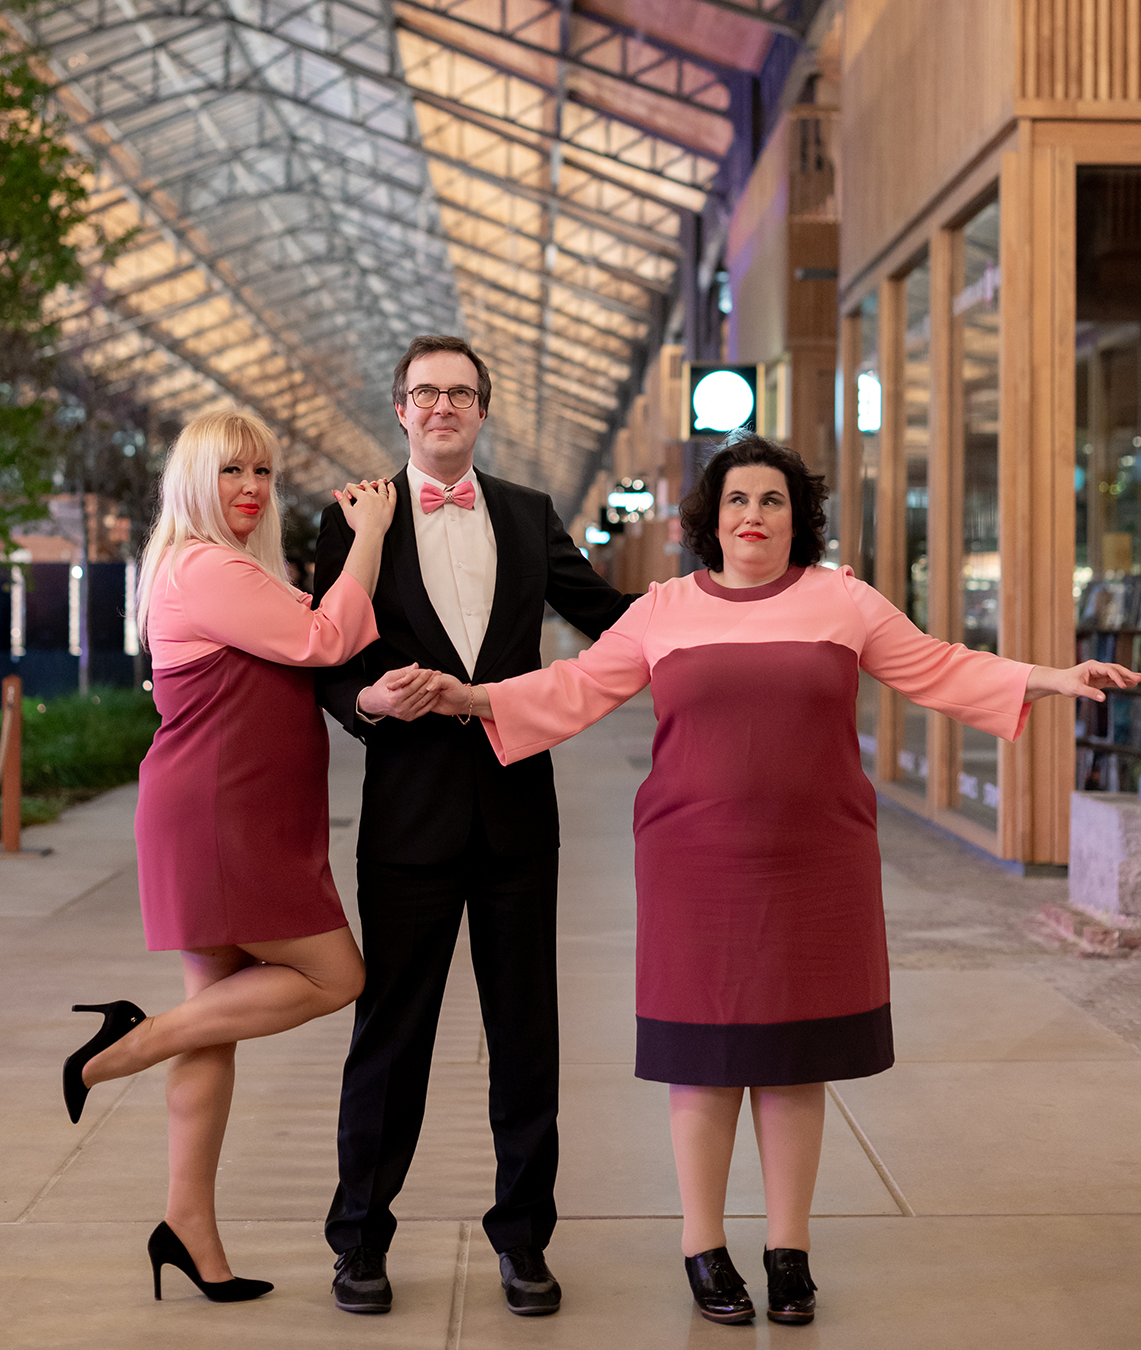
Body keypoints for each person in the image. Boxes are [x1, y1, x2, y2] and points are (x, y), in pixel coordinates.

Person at [426, 434, 1139, 1326]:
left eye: (772, 501)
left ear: (798, 518)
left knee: (798, 1063)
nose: (753, 516)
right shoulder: (664, 609)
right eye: (736, 501)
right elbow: (576, 686)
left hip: (818, 863)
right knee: (706, 1063)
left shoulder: (844, 601)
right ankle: (702, 1245)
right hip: (694, 865)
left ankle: (789, 1249)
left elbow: (938, 665)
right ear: (708, 519)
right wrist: (472, 697)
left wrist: (1049, 676)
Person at [313, 335, 634, 1318]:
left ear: (481, 411)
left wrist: (725, 614)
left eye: (460, 393)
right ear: (401, 410)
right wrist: (370, 702)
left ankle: (524, 1242)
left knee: (525, 1039)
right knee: (390, 1038)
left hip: (514, 820)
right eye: (425, 393)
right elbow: (325, 656)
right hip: (406, 821)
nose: (442, 406)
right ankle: (359, 1241)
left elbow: (613, 619)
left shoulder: (532, 515)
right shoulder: (355, 518)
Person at [60, 410, 394, 1304]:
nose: (250, 489)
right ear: (192, 480)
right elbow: (327, 638)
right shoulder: (205, 567)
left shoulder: (227, 567)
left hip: (243, 812)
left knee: (215, 1024)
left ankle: (189, 1226)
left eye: (262, 473)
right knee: (337, 975)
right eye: (231, 472)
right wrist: (367, 540)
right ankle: (124, 1048)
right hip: (222, 818)